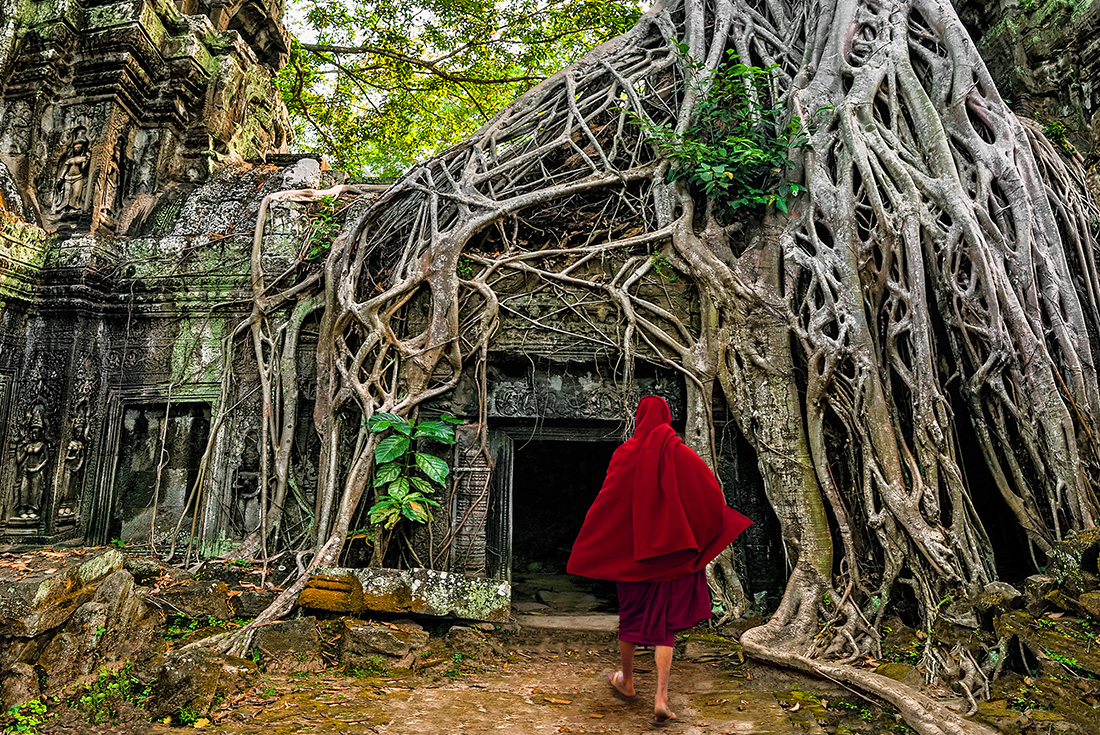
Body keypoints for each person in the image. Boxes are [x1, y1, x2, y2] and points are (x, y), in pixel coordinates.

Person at [567, 395, 752, 726]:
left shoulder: (625, 453)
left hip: (635, 560)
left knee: (631, 620)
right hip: (673, 558)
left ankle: (626, 680)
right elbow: (710, 494)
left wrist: (606, 544)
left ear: (639, 418)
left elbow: (609, 504)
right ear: (667, 416)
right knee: (664, 628)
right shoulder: (681, 453)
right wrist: (699, 533)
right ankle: (661, 697)